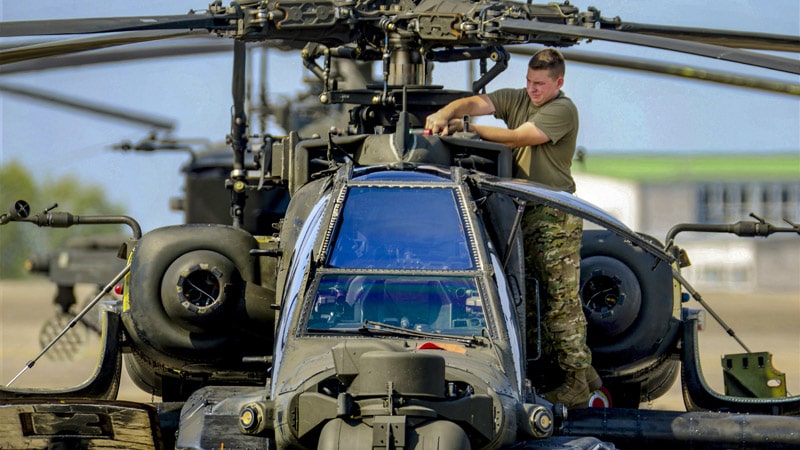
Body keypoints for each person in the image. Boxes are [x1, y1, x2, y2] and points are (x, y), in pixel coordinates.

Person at [425, 48, 597, 409]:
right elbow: (476, 103)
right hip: (524, 210)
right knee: (531, 298)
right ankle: (571, 374)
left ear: (558, 83)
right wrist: (447, 113)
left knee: (558, 301)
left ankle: (578, 384)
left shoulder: (563, 110)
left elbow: (520, 137)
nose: (532, 90)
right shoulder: (519, 98)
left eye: (540, 84)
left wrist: (467, 128)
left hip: (554, 214)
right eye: (529, 82)